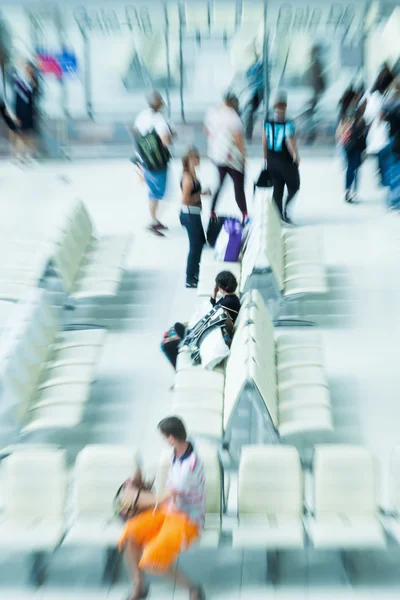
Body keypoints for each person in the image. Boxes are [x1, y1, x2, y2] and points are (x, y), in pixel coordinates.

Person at [119, 417, 206, 600]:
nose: (164, 441)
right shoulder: (182, 448)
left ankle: (193, 589)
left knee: (152, 559)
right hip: (169, 511)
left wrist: (134, 496)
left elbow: (160, 499)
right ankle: (139, 584)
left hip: (186, 519)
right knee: (129, 535)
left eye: (164, 438)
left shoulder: (188, 470)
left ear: (172, 438)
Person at [161, 270, 241, 372]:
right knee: (173, 332)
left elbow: (210, 312)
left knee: (166, 345)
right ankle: (181, 336)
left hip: (213, 333)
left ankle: (177, 370)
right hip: (215, 328)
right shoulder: (232, 299)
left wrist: (214, 294)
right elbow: (213, 310)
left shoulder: (228, 302)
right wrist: (214, 295)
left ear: (220, 287)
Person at [134, 90, 173, 237]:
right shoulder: (159, 119)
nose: (163, 102)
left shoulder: (142, 116)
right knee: (160, 193)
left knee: (153, 191)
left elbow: (137, 135)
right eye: (161, 100)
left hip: (145, 160)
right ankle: (152, 221)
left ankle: (154, 219)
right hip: (158, 162)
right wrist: (171, 136)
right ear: (157, 103)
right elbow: (165, 141)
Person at [204, 92, 248, 223]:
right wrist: (244, 156)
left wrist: (216, 143)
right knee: (239, 187)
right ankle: (245, 214)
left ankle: (212, 212)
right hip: (233, 158)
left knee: (220, 184)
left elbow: (206, 131)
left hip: (218, 156)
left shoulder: (212, 113)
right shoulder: (234, 118)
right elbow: (238, 139)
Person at [263, 90, 300, 224]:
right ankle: (285, 211)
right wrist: (295, 155)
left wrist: (266, 158)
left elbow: (264, 140)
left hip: (272, 160)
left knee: (277, 189)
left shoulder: (267, 122)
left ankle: (278, 217)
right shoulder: (288, 123)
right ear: (285, 106)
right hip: (286, 161)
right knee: (294, 186)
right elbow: (290, 141)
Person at [180, 147, 211, 288]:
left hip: (194, 214)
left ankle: (195, 273)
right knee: (194, 246)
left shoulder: (193, 175)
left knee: (199, 243)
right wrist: (201, 194)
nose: (196, 161)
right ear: (187, 161)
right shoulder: (188, 177)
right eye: (193, 159)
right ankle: (190, 277)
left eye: (197, 158)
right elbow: (185, 200)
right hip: (189, 214)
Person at [336, 96, 368, 203]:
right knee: (355, 169)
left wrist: (342, 141)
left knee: (350, 168)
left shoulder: (346, 115)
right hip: (356, 146)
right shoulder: (359, 117)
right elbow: (363, 134)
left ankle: (348, 190)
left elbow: (339, 133)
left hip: (347, 145)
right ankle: (352, 192)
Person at [13, 60, 40, 162]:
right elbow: (16, 98)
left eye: (29, 67)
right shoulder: (19, 81)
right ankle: (19, 155)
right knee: (20, 134)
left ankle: (30, 155)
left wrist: (32, 82)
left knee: (30, 134)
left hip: (30, 111)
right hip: (19, 111)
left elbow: (36, 94)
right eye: (25, 67)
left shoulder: (34, 81)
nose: (27, 69)